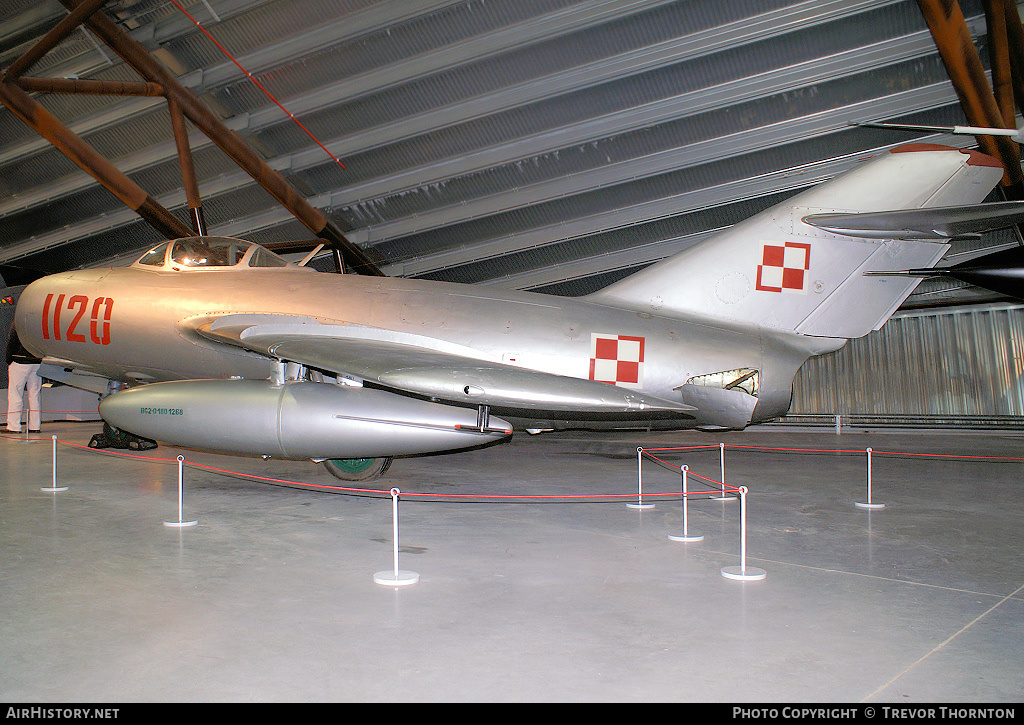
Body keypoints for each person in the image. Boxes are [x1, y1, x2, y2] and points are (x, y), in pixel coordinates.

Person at [6, 328, 42, 433]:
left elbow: (12, 342)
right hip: (36, 361)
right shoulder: (37, 322)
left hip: (20, 360)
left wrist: (9, 359)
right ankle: (35, 426)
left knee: (15, 393)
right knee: (35, 394)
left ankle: (14, 426)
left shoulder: (18, 322)